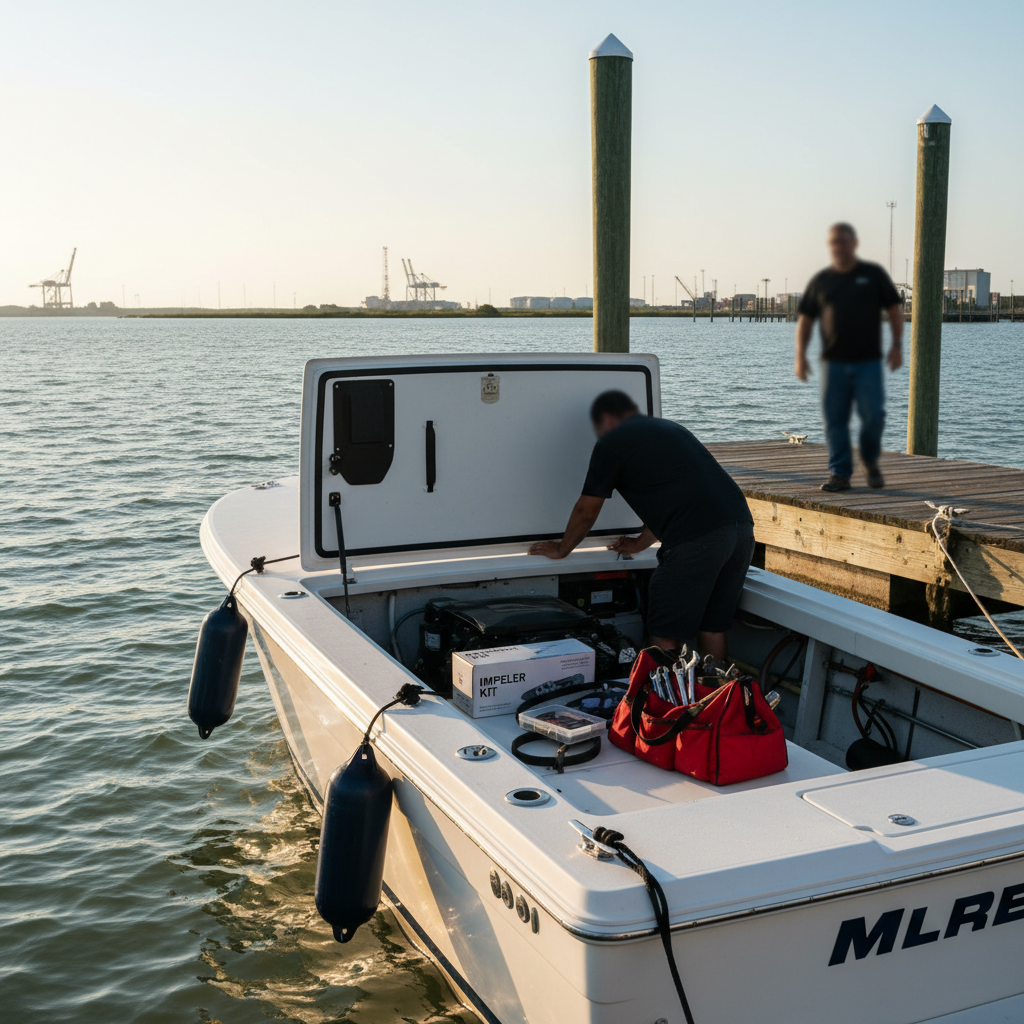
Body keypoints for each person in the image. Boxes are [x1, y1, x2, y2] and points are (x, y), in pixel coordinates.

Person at [528, 390, 755, 661]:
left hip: (697, 539)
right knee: (713, 627)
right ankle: (718, 698)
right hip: (741, 529)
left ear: (608, 419)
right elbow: (680, 498)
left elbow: (587, 509)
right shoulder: (671, 429)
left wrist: (563, 549)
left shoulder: (612, 442)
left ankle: (665, 703)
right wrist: (639, 543)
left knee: (663, 632)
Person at [796, 222, 904, 492]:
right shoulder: (822, 281)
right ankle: (840, 474)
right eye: (834, 242)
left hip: (868, 362)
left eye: (843, 241)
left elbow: (894, 309)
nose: (839, 246)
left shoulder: (873, 274)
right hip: (832, 364)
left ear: (854, 243)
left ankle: (869, 459)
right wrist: (800, 355)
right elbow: (806, 320)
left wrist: (897, 345)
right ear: (829, 246)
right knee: (835, 420)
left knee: (874, 416)